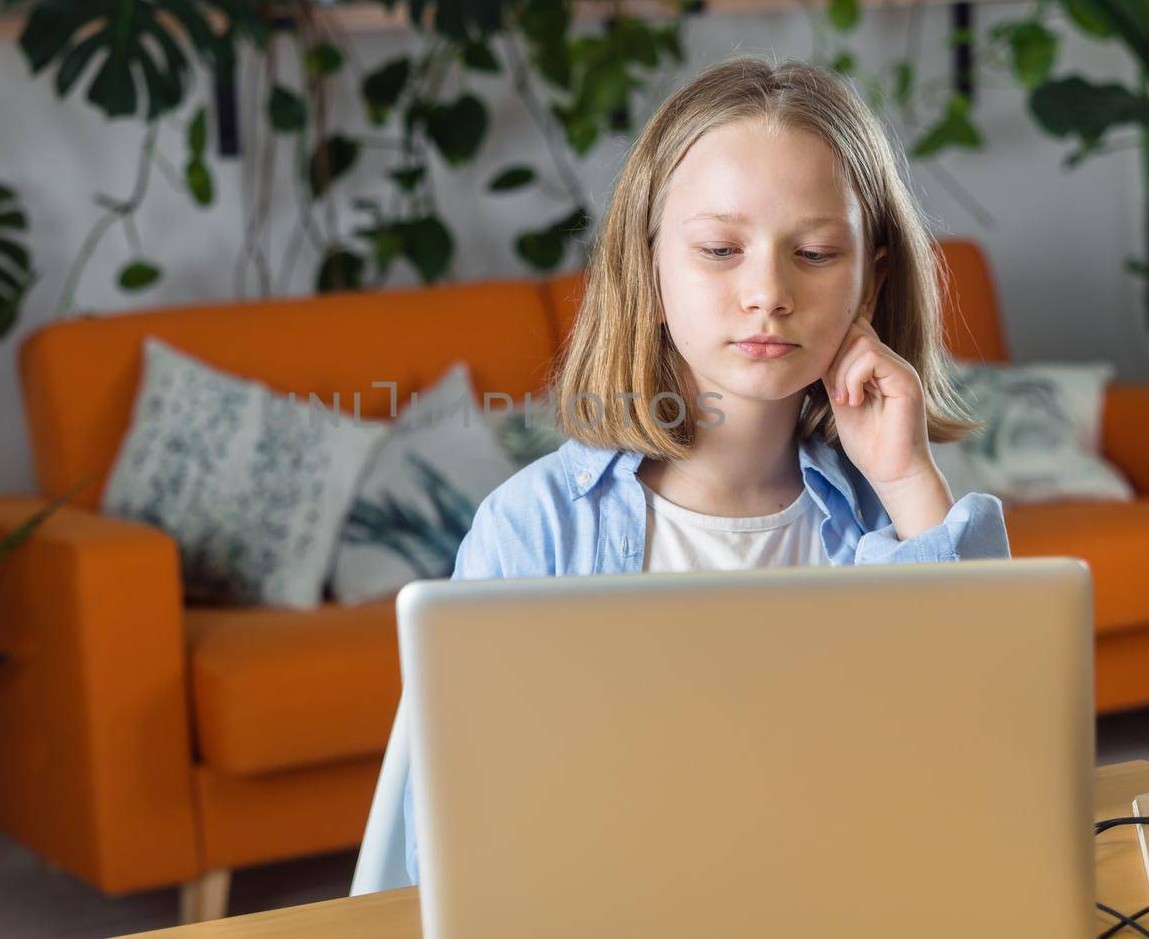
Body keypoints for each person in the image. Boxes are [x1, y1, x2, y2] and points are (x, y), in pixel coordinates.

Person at [398, 54, 1011, 885]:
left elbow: (995, 752)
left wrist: (907, 483)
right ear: (648, 269)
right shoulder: (534, 529)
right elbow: (466, 832)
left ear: (872, 281)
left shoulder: (894, 516)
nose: (768, 291)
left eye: (818, 253)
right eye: (721, 249)